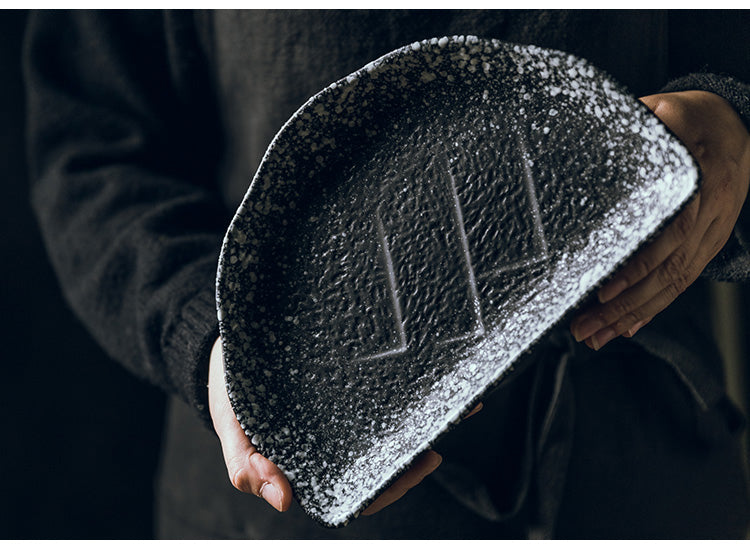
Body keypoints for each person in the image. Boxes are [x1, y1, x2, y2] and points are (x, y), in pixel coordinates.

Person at [24, 10, 750, 539]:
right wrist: (216, 348)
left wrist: (734, 118)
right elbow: (93, 148)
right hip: (291, 494)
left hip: (642, 471)